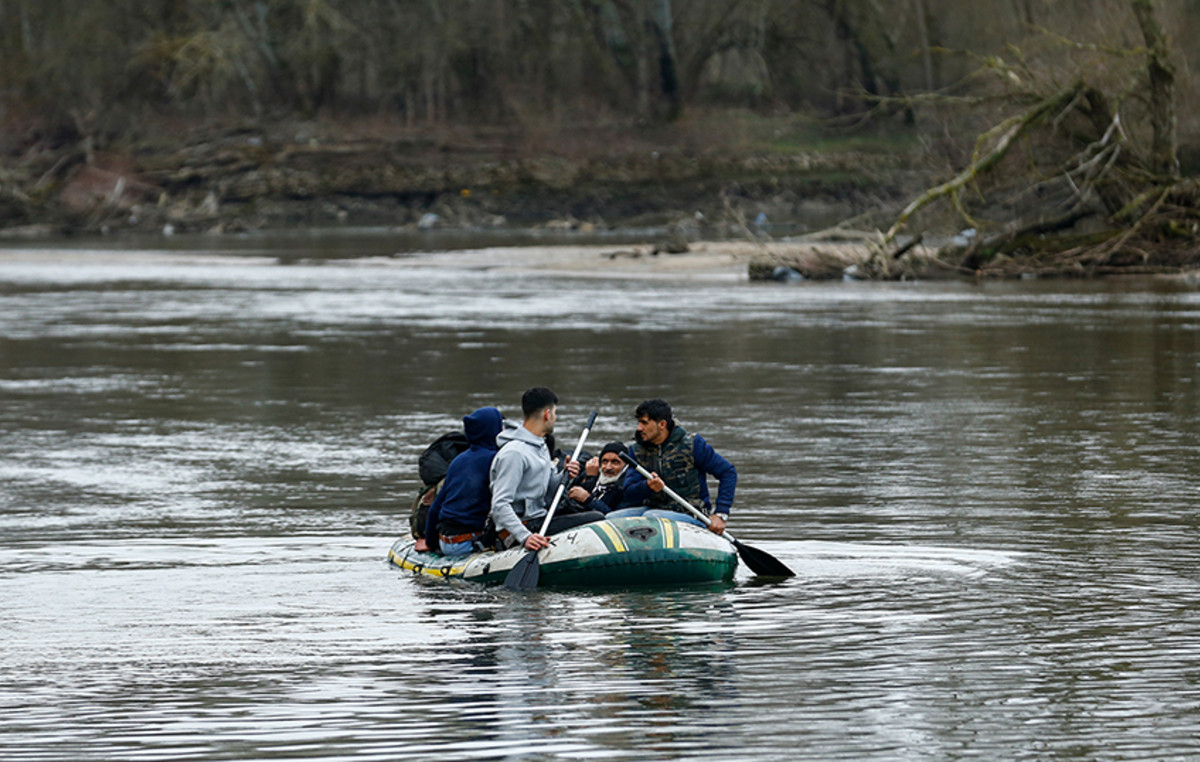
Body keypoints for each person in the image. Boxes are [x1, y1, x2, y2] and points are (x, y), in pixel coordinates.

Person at [490, 387, 605, 551]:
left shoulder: (541, 447)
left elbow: (548, 491)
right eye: (555, 413)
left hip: (540, 517)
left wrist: (565, 474)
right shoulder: (514, 453)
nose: (555, 418)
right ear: (547, 414)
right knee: (597, 519)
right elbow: (500, 505)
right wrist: (525, 536)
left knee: (589, 513)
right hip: (523, 526)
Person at [608, 399, 736, 535]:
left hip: (690, 513)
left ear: (662, 424)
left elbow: (728, 472)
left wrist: (721, 514)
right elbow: (629, 493)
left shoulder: (693, 445)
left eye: (644, 423)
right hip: (652, 510)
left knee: (652, 517)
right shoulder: (637, 451)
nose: (639, 428)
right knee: (610, 519)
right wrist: (647, 486)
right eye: (639, 422)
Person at [414, 407, 504, 556]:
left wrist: (430, 542)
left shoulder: (458, 460)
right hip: (468, 542)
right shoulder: (495, 459)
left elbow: (435, 508)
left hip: (445, 541)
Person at [566, 441, 628, 514]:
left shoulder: (626, 487)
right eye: (605, 461)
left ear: (625, 466)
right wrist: (591, 478)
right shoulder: (592, 474)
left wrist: (589, 500)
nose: (608, 467)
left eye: (615, 462)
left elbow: (614, 516)